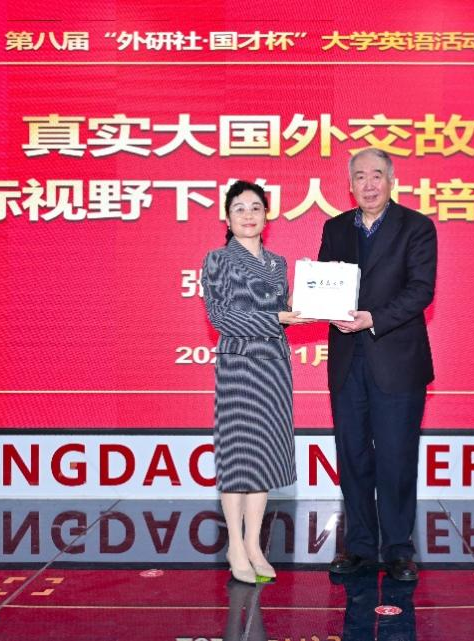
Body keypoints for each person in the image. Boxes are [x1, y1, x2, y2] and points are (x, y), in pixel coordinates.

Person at [318, 148, 437, 582]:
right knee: (352, 456)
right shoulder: (335, 228)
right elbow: (324, 283)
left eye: (376, 175)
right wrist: (319, 305)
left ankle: (399, 549)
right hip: (347, 362)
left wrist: (374, 318)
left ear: (391, 180)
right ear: (350, 184)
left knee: (396, 457)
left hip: (396, 361)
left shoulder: (417, 227)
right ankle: (360, 547)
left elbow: (421, 290)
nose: (368, 184)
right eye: (360, 177)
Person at [201, 180, 311, 584]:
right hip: (238, 367)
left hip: (274, 368)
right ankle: (234, 544)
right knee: (238, 456)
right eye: (239, 208)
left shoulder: (278, 263)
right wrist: (276, 318)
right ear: (227, 218)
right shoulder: (217, 259)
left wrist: (303, 309)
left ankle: (254, 544)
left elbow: (283, 314)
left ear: (267, 216)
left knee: (263, 454)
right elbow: (220, 317)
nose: (248, 215)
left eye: (255, 207)